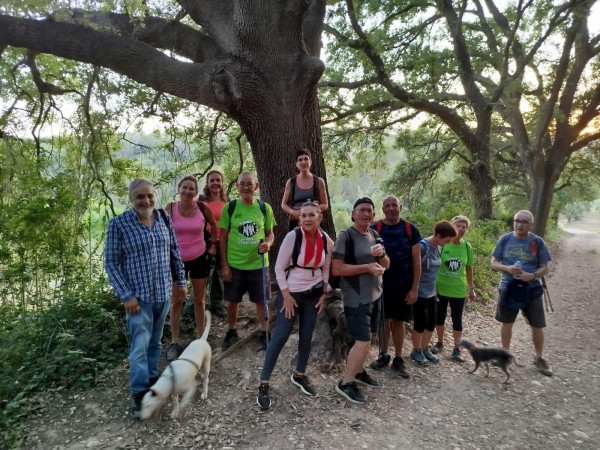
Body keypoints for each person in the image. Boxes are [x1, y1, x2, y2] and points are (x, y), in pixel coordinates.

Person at [104, 178, 187, 419]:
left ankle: (152, 381)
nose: (146, 200)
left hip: (162, 293)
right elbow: (111, 263)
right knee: (139, 346)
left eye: (150, 195)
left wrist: (180, 281)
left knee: (155, 342)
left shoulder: (163, 218)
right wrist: (126, 295)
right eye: (140, 196)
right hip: (137, 300)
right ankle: (139, 394)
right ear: (131, 199)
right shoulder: (119, 225)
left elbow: (174, 252)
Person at [256, 201, 333, 409]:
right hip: (291, 293)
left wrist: (324, 293)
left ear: (320, 217)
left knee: (307, 336)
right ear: (299, 219)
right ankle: (264, 383)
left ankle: (299, 374)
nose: (307, 219)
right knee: (281, 335)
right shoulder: (293, 237)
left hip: (313, 293)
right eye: (303, 216)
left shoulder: (326, 240)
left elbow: (326, 268)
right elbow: (279, 269)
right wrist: (286, 296)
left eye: (311, 215)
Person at [332, 197, 389, 405]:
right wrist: (366, 268)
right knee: (363, 341)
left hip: (375, 295)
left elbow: (387, 264)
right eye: (361, 210)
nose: (366, 214)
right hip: (356, 299)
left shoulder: (374, 235)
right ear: (353, 214)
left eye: (369, 211)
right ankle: (345, 383)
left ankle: (359, 370)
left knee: (370, 337)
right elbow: (337, 269)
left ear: (374, 215)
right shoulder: (346, 237)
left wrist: (382, 256)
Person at [219, 172, 276, 351]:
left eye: (249, 184)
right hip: (235, 264)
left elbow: (270, 233)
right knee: (233, 301)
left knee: (261, 300)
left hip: (258, 264)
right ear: (237, 186)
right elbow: (223, 238)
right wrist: (224, 265)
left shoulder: (264, 207)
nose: (245, 187)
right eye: (242, 184)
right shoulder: (230, 208)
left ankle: (265, 332)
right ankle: (232, 331)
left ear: (256, 186)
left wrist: (268, 244)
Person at [490, 210, 552, 376]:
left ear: (531, 225)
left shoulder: (537, 241)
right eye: (517, 220)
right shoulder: (505, 239)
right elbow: (494, 263)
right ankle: (504, 355)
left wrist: (530, 276)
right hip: (508, 288)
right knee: (506, 323)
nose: (519, 224)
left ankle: (539, 358)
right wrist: (507, 268)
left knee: (537, 325)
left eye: (524, 221)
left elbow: (545, 268)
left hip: (531, 289)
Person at [164, 175, 218, 361]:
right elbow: (160, 231)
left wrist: (212, 245)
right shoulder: (170, 208)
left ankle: (200, 338)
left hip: (199, 257)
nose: (188, 191)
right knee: (176, 301)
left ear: (196, 192)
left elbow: (214, 225)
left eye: (191, 189)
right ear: (179, 189)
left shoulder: (203, 207)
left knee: (199, 299)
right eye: (184, 188)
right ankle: (175, 341)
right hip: (175, 260)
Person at [368, 196, 422, 378]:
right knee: (383, 320)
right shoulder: (375, 228)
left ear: (400, 207)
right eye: (387, 206)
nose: (391, 208)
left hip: (403, 284)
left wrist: (415, 288)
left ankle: (398, 358)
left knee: (399, 321)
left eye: (394, 205)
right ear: (383, 209)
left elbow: (417, 260)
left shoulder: (410, 229)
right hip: (381, 284)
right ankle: (383, 354)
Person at [411, 221, 457, 366]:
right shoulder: (423, 247)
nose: (448, 243)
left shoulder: (438, 247)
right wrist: (413, 289)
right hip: (420, 292)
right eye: (447, 240)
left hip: (431, 292)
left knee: (431, 323)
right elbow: (413, 267)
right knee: (420, 323)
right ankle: (416, 350)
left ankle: (425, 348)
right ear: (438, 236)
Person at [432, 215, 476, 362]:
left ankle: (457, 348)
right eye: (459, 225)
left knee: (457, 319)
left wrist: (471, 288)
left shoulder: (467, 246)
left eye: (464, 227)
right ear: (452, 226)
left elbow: (469, 268)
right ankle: (439, 343)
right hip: (441, 287)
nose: (461, 229)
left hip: (458, 289)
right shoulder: (443, 244)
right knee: (440, 317)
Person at [200, 170, 229, 319]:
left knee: (220, 273)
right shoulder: (202, 200)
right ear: (207, 183)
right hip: (208, 242)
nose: (215, 183)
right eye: (212, 180)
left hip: (225, 241)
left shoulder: (227, 200)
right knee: (204, 274)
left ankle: (217, 303)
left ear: (222, 183)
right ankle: (195, 305)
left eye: (218, 180)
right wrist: (210, 243)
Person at [281, 149, 328, 231]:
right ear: (296, 164)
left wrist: (311, 210)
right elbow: (284, 204)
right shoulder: (291, 182)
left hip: (313, 222)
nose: (303, 162)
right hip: (295, 222)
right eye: (300, 160)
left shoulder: (319, 181)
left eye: (306, 159)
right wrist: (293, 212)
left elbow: (325, 204)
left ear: (310, 162)